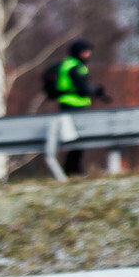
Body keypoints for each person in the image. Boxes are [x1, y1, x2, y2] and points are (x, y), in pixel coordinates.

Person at [46, 40, 110, 176]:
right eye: (85, 51)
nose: (88, 54)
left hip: (72, 105)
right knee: (76, 139)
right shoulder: (74, 67)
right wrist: (97, 91)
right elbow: (82, 89)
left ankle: (72, 170)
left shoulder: (69, 64)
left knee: (76, 139)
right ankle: (72, 170)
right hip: (73, 106)